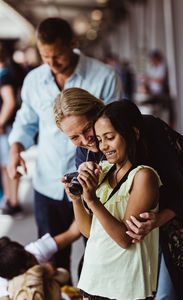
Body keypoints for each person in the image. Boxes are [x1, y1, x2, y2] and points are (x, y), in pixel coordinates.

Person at [53, 87, 183, 300]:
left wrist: (158, 220)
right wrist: (81, 197)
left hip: (174, 226)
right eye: (74, 137)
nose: (87, 141)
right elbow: (94, 226)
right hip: (127, 247)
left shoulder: (146, 128)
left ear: (98, 111)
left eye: (87, 129)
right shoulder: (85, 154)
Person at [7, 17, 123, 274]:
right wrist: (16, 148)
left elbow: (117, 129)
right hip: (48, 184)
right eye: (44, 56)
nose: (51, 63)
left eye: (57, 55)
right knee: (52, 267)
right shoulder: (34, 80)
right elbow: (26, 121)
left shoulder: (104, 76)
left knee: (97, 258)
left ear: (73, 44)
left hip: (97, 185)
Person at [65, 100, 162, 300]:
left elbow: (125, 239)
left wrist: (92, 201)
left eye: (110, 137)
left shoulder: (143, 177)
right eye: (100, 139)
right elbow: (91, 232)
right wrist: (77, 199)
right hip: (93, 280)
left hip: (124, 287)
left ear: (133, 134)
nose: (103, 146)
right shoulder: (104, 170)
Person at [0, 221, 80, 299]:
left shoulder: (33, 250)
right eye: (30, 262)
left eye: (30, 255)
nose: (34, 258)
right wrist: (44, 275)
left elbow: (72, 233)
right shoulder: (5, 290)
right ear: (21, 272)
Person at [0, 43, 22, 216]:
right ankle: (9, 199)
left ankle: (13, 201)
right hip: (4, 128)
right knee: (4, 165)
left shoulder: (4, 76)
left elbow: (9, 102)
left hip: (5, 129)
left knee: (10, 165)